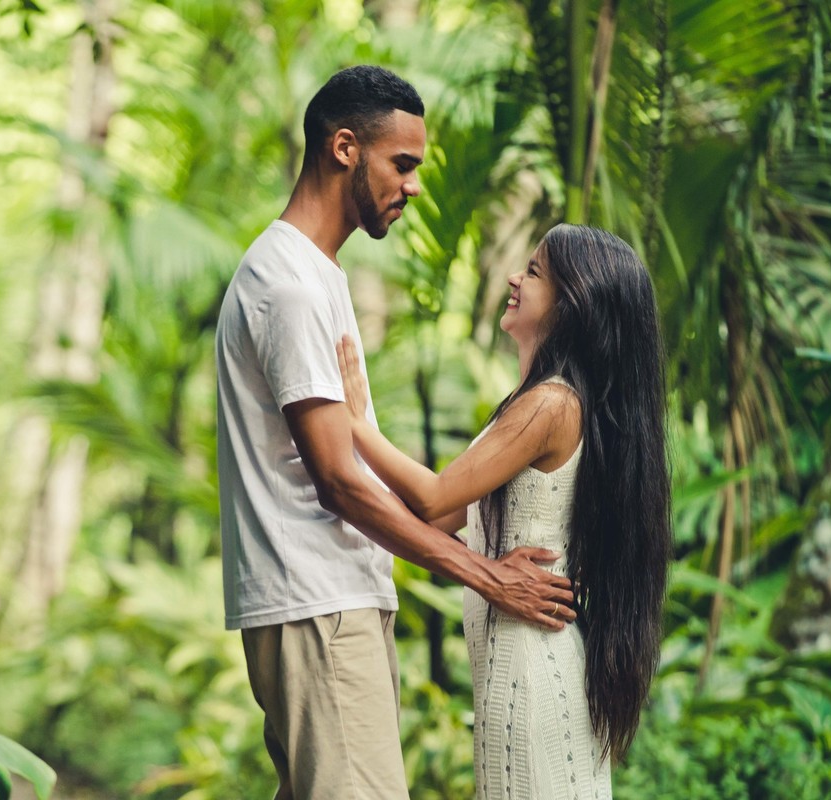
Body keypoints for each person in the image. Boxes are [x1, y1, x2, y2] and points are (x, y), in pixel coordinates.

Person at [215, 66, 576, 800]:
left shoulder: (318, 277)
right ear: (343, 147)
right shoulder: (286, 284)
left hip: (332, 601)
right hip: (316, 602)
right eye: (402, 165)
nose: (414, 186)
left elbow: (365, 469)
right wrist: (487, 576)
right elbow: (339, 481)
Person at [336, 223, 672, 798]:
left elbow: (436, 497)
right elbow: (436, 522)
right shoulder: (538, 403)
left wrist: (353, 423)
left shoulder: (551, 404)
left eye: (535, 271)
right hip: (514, 669)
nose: (515, 277)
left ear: (572, 307)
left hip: (532, 672)